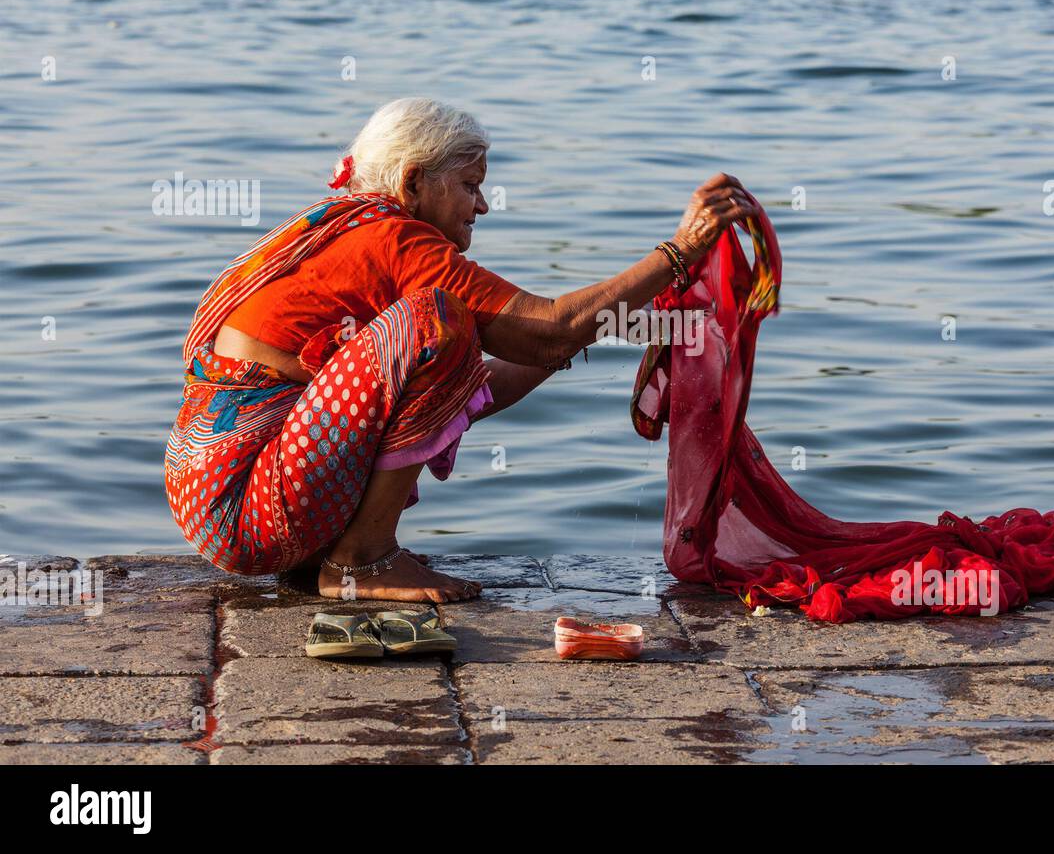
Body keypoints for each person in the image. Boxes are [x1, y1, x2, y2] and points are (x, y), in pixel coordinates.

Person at [165, 97, 759, 603]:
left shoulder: (340, 226)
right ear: (414, 182)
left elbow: (475, 385)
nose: (482, 206)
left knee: (443, 332)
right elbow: (548, 326)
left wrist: (601, 328)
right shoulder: (394, 239)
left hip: (221, 501)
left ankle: (347, 552)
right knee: (439, 321)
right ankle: (360, 562)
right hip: (246, 503)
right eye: (470, 187)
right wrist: (681, 251)